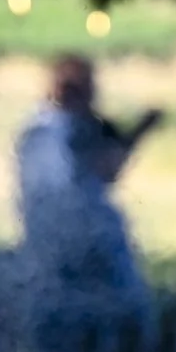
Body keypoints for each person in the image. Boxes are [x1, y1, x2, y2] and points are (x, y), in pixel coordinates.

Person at [29, 116, 153, 352]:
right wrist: (107, 349)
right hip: (86, 346)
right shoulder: (94, 212)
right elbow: (111, 289)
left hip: (72, 340)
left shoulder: (62, 204)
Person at [16, 55, 159, 249]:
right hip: (71, 237)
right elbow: (106, 169)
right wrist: (140, 131)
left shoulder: (42, 129)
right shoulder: (56, 132)